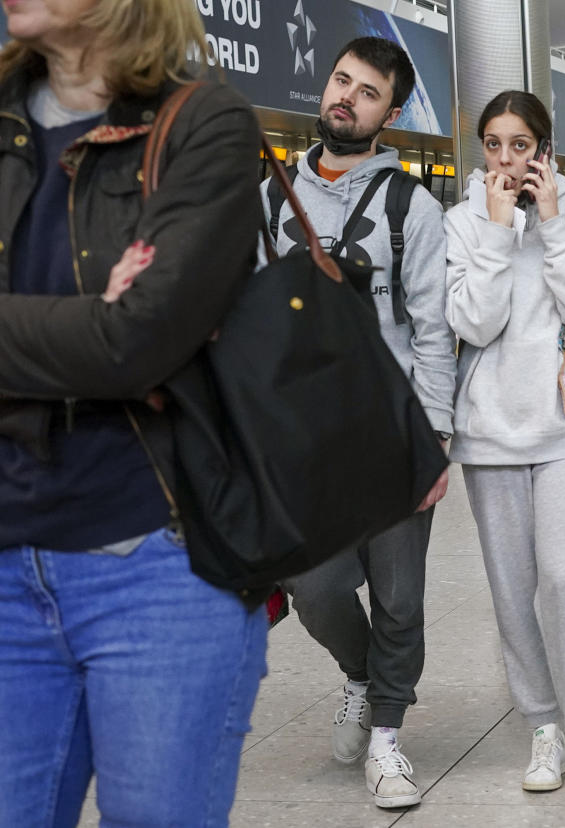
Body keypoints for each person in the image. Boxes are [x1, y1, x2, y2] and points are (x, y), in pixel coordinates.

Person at [0, 2, 269, 825]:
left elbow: (136, 343)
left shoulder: (202, 124)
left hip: (159, 563)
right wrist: (95, 329)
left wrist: (118, 336)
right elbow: (116, 335)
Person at [261, 37, 455, 809]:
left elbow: (437, 332)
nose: (346, 97)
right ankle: (360, 675)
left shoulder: (415, 205)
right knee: (313, 588)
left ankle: (386, 739)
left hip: (398, 434)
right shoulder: (272, 199)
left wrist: (439, 440)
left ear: (392, 111)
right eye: (341, 81)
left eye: (367, 91)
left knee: (400, 598)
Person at [445, 90, 565, 803]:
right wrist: (493, 232)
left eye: (522, 145)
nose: (507, 159)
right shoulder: (461, 222)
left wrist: (552, 226)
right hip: (490, 434)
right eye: (494, 144)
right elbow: (474, 323)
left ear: (545, 152)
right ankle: (542, 725)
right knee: (514, 592)